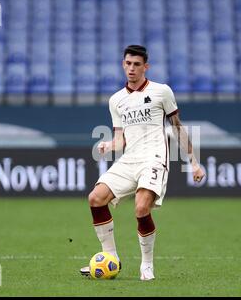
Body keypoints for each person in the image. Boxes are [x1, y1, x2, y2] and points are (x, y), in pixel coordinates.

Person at [80, 45, 205, 281]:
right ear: (123, 65)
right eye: (128, 63)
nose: (131, 69)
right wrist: (108, 145)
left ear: (145, 67)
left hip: (154, 158)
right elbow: (120, 139)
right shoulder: (116, 100)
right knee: (95, 198)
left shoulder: (161, 91)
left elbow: (177, 127)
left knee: (140, 208)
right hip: (129, 159)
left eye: (137, 64)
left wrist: (194, 162)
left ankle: (147, 265)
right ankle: (111, 259)